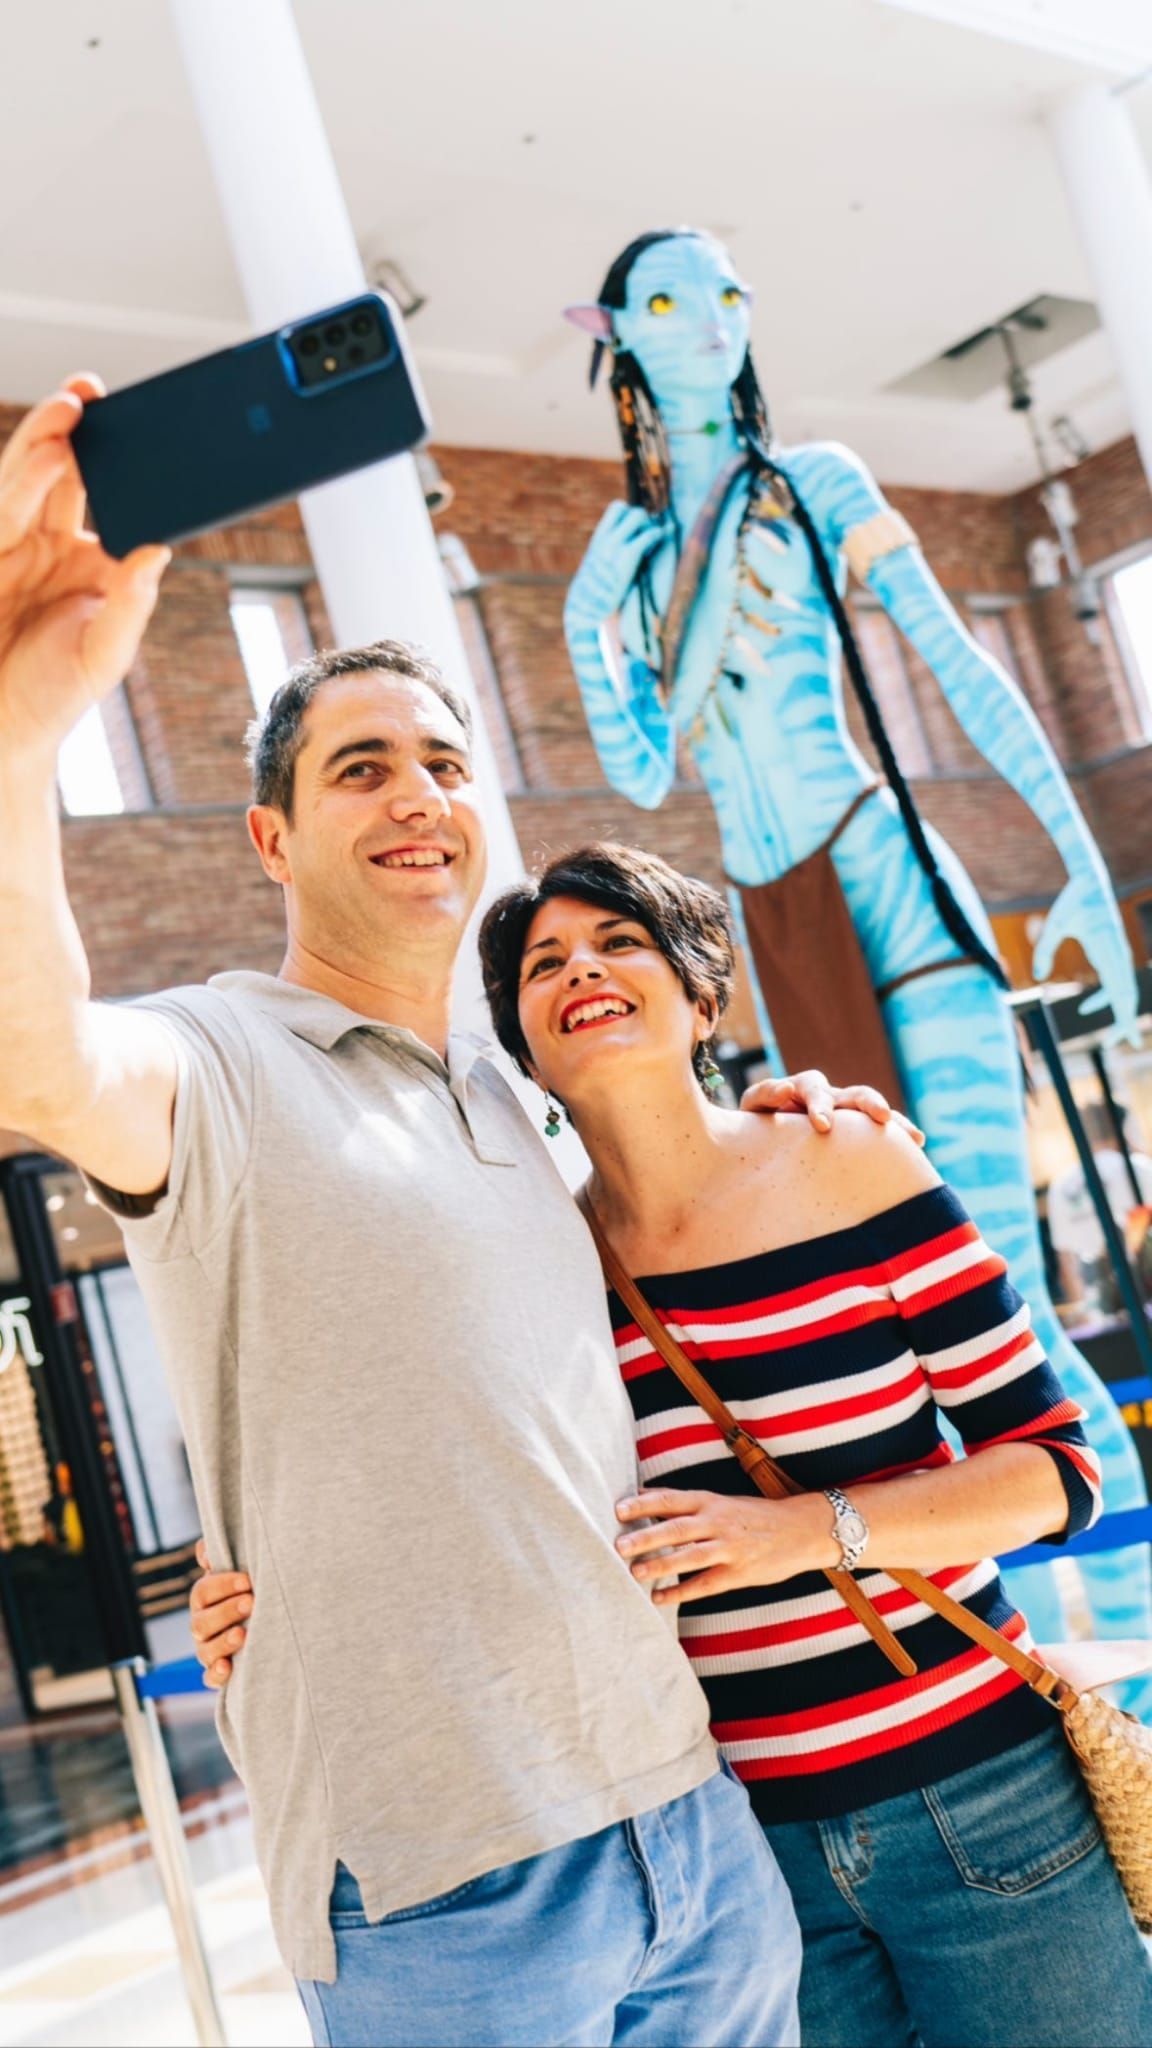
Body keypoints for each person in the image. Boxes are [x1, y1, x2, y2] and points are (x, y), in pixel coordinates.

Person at [0, 380, 902, 2048]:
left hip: (688, 1819)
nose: (417, 792)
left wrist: (767, 1120)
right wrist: (24, 725)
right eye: (361, 770)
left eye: (442, 759)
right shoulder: (218, 1057)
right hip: (444, 1888)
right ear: (273, 836)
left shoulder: (516, 1101)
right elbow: (34, 1051)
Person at [200, 841, 1152, 2048]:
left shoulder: (851, 1163)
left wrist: (806, 1533)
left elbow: (1063, 1468)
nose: (579, 968)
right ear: (525, 1049)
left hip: (986, 1792)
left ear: (702, 996)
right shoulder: (528, 1255)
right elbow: (430, 1474)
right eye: (544, 962)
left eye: (618, 941)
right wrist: (266, 1595)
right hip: (737, 1849)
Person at [1047, 1100, 1152, 1315]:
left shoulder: (1061, 1185)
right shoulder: (1138, 1167)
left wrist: (1085, 1312)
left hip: (1098, 1307)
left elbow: (1065, 1260)